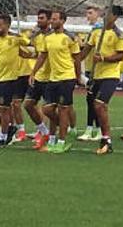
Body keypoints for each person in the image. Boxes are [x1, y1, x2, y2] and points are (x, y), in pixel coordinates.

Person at [29, 10, 82, 154]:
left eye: (55, 19)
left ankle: (60, 142)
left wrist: (78, 76)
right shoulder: (48, 37)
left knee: (63, 109)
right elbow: (42, 56)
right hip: (53, 78)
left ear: (63, 21)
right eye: (51, 19)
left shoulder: (70, 37)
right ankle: (61, 129)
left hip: (67, 77)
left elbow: (77, 58)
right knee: (48, 109)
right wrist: (33, 72)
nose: (52, 21)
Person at [80, 7, 123, 155]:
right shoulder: (96, 32)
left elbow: (121, 56)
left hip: (110, 75)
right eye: (104, 13)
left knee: (99, 104)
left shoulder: (118, 34)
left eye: (108, 14)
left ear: (115, 16)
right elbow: (84, 52)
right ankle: (103, 137)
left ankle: (106, 139)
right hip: (96, 75)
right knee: (95, 105)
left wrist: (103, 58)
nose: (105, 16)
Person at [0, 14, 29, 147]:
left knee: (5, 109)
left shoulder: (14, 39)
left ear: (8, 25)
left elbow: (29, 43)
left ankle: (3, 138)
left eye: (0, 25)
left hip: (9, 80)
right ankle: (10, 127)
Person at [22, 9, 53, 150]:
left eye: (41, 18)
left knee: (48, 109)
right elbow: (38, 54)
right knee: (28, 104)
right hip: (39, 75)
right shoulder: (37, 36)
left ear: (49, 20)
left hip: (52, 77)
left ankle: (51, 136)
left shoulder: (54, 36)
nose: (38, 20)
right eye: (38, 18)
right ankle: (43, 131)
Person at [77, 6, 103, 142]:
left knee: (94, 101)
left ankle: (95, 130)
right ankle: (92, 129)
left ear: (98, 14)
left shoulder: (99, 30)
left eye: (91, 13)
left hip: (97, 70)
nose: (88, 15)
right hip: (89, 69)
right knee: (90, 100)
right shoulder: (91, 31)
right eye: (86, 12)